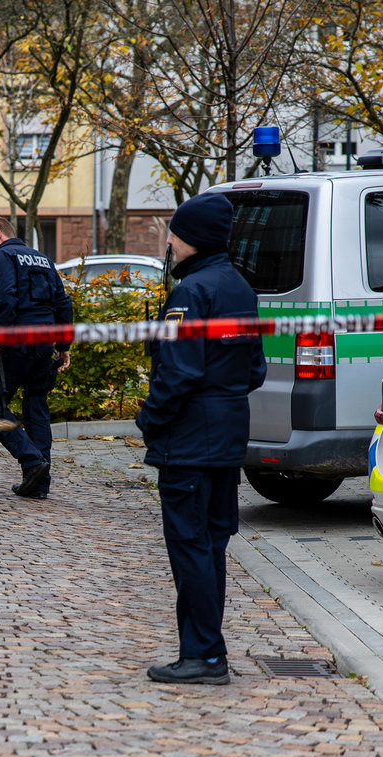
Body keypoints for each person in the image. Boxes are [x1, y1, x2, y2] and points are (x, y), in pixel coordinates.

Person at [136, 193, 266, 685]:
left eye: (173, 232)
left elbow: (177, 372)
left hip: (190, 438)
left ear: (192, 238)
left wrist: (151, 417)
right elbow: (255, 369)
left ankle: (204, 656)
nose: (168, 241)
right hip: (228, 434)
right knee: (210, 546)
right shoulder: (239, 286)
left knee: (190, 545)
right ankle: (206, 651)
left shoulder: (191, 293)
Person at [0, 216, 73, 499]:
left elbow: (5, 297)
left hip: (17, 341)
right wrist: (64, 344)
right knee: (37, 406)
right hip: (44, 344)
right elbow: (62, 302)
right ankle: (39, 484)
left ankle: (32, 462)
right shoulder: (42, 258)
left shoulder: (4, 256)